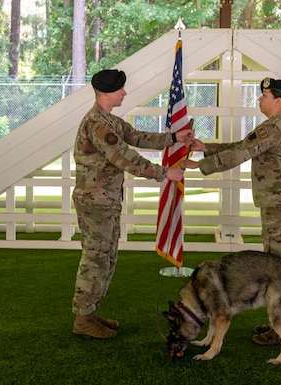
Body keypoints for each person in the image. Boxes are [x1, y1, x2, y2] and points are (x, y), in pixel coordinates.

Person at [182, 77, 281, 344]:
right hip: (280, 204)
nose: (259, 99)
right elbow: (244, 147)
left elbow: (242, 152)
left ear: (279, 101)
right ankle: (279, 321)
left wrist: (201, 166)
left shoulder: (275, 128)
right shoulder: (275, 127)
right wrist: (206, 149)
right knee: (276, 264)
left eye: (264, 95)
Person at [72, 69, 193, 338]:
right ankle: (82, 318)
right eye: (120, 89)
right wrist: (165, 173)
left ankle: (89, 311)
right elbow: (125, 157)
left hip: (105, 201)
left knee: (106, 257)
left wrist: (175, 138)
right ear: (106, 92)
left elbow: (137, 137)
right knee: (96, 259)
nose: (124, 92)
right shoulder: (98, 125)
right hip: (96, 203)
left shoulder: (110, 121)